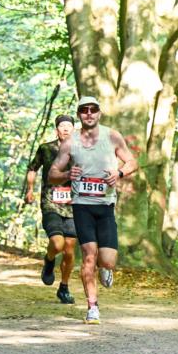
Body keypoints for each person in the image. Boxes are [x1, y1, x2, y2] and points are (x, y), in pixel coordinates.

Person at [48, 96, 138, 324]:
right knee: (89, 256)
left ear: (99, 113)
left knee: (106, 260)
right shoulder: (70, 142)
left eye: (93, 109)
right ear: (79, 114)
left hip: (105, 206)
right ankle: (92, 307)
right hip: (82, 206)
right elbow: (52, 174)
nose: (89, 113)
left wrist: (118, 174)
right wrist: (68, 174)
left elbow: (132, 162)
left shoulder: (112, 136)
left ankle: (106, 268)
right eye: (84, 110)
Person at [26, 115, 77, 304]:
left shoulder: (80, 150)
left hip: (73, 205)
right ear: (57, 129)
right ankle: (49, 259)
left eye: (69, 126)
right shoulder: (46, 148)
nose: (65, 129)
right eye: (62, 126)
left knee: (70, 250)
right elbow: (33, 168)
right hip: (50, 202)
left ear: (73, 129)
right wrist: (30, 190)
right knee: (57, 244)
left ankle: (64, 287)